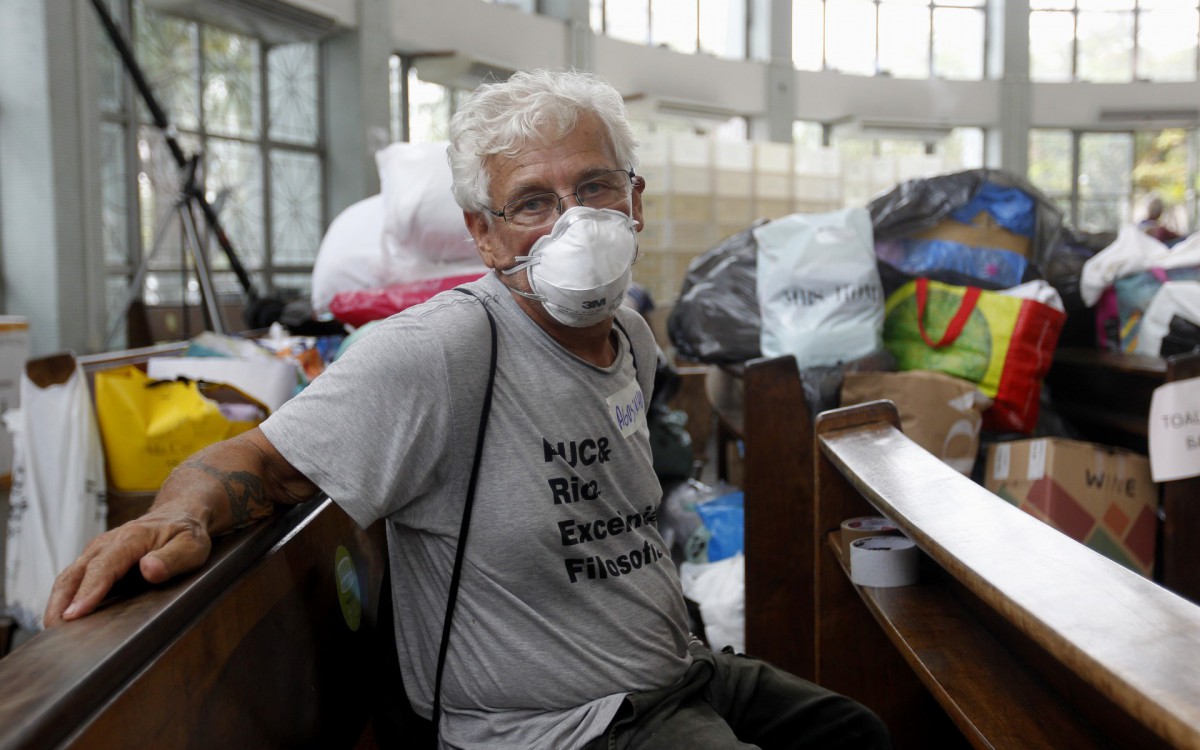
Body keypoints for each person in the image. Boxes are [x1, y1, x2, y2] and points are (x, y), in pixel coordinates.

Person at [45, 69, 890, 750]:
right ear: (484, 236)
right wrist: (181, 514)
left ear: (634, 200)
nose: (574, 223)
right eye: (533, 203)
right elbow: (255, 463)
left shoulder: (631, 334)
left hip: (676, 669)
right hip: (563, 725)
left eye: (594, 188)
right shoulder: (440, 354)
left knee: (857, 729)